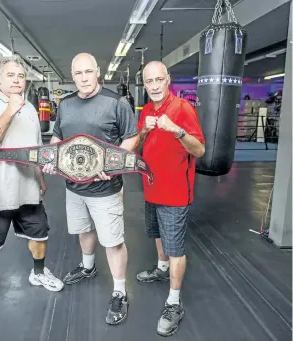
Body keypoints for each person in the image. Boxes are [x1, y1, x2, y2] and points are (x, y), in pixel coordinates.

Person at [42, 53, 139, 325]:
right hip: (74, 187)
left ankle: (120, 290)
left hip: (106, 188)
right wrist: (51, 158)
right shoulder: (66, 103)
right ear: (73, 76)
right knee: (83, 230)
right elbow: (57, 137)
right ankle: (88, 267)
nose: (84, 78)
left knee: (113, 241)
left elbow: (133, 137)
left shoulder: (116, 102)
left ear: (98, 72)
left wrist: (112, 163)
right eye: (78, 73)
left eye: (88, 72)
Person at [0, 54, 64, 300]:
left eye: (21, 76)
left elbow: (35, 147)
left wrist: (41, 178)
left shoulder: (32, 108)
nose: (16, 80)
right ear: (0, 78)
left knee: (40, 232)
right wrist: (11, 109)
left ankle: (38, 272)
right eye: (10, 75)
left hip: (28, 186)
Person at [135, 61, 205, 337]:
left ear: (168, 80)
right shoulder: (147, 111)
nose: (153, 86)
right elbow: (140, 144)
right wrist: (144, 130)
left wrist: (177, 130)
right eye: (149, 81)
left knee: (175, 246)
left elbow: (199, 150)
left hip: (175, 192)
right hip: (151, 188)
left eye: (158, 80)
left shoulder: (183, 109)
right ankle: (161, 268)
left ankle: (174, 303)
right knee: (156, 234)